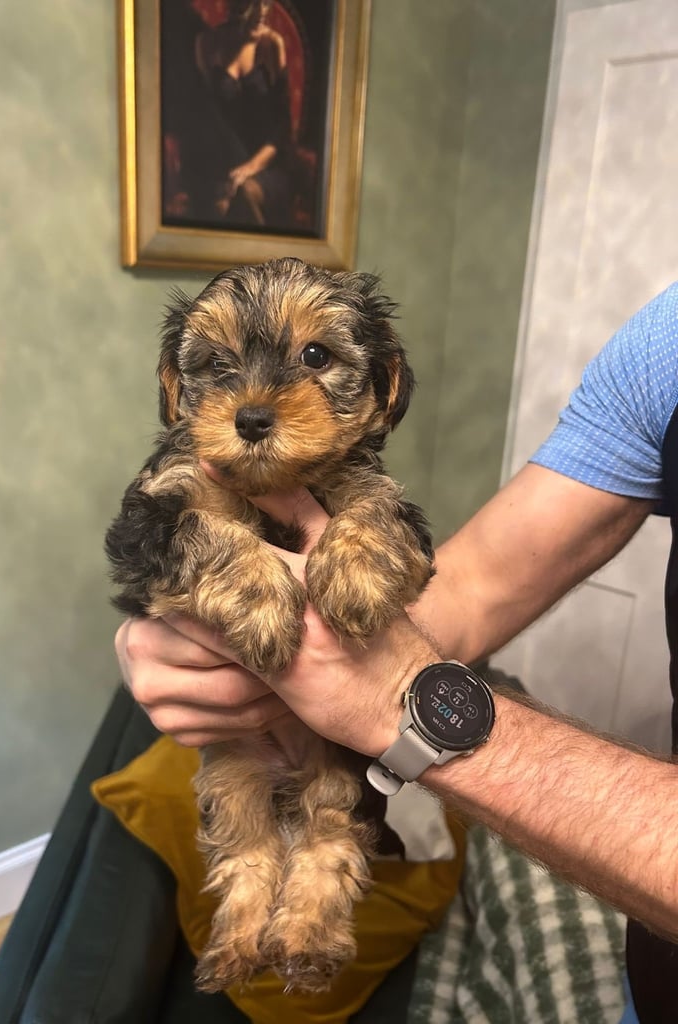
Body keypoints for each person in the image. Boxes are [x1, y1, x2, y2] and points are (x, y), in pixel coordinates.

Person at [115, 282, 678, 1023]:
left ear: (384, 386)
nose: (254, 399)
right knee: (238, 808)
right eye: (215, 364)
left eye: (315, 357)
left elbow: (398, 557)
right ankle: (245, 913)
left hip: (334, 748)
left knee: (332, 804)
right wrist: (207, 610)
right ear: (175, 388)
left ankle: (316, 908)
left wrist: (387, 691)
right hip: (660, 972)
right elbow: (470, 587)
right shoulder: (661, 346)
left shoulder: (363, 495)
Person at [179, 0, 295, 228]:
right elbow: (209, 120)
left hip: (268, 163)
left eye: (265, 4)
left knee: (246, 193)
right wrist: (227, 174)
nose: (263, 12)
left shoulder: (272, 45)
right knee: (219, 205)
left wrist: (250, 167)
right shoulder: (207, 43)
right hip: (223, 159)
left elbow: (283, 128)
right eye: (255, 4)